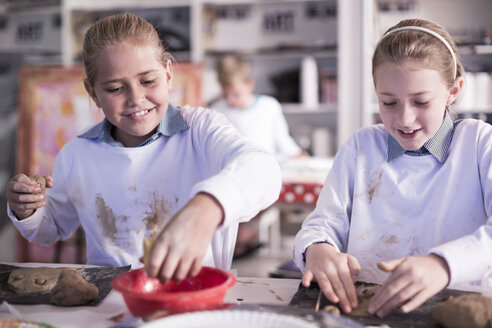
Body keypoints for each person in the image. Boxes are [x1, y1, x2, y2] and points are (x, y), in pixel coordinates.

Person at [6, 13, 282, 283]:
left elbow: (263, 170)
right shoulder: (78, 154)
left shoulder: (200, 130)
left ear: (168, 74)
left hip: (194, 294)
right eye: (115, 88)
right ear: (93, 93)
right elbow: (50, 228)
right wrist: (28, 210)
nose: (136, 99)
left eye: (148, 81)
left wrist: (206, 208)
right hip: (110, 302)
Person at [293, 18, 492, 318]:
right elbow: (323, 223)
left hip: (460, 311)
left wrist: (443, 264)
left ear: (453, 91)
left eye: (421, 101)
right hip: (369, 312)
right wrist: (317, 249)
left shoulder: (479, 144)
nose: (405, 119)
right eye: (389, 102)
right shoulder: (361, 147)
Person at [210, 55, 307, 258]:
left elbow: (283, 141)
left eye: (235, 94)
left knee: (262, 186)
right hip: (231, 171)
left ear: (249, 85)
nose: (230, 100)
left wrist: (298, 154)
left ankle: (244, 234)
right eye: (226, 95)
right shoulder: (217, 110)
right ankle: (238, 236)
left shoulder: (268, 106)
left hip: (264, 170)